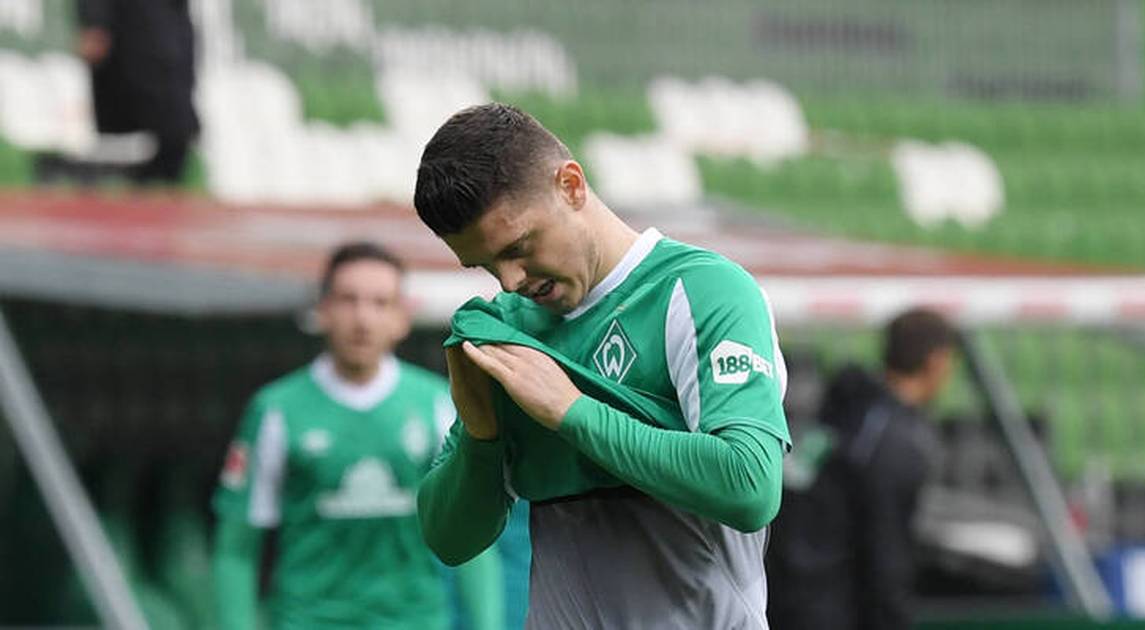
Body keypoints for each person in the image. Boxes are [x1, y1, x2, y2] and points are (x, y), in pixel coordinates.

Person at [413, 103, 790, 628]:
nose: (509, 280)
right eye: (485, 265)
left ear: (570, 185)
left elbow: (749, 485)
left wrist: (571, 412)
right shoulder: (510, 331)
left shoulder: (701, 292)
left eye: (519, 247)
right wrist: (480, 439)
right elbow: (449, 540)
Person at [210, 242, 503, 630]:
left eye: (380, 303)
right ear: (322, 309)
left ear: (402, 317)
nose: (363, 318)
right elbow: (236, 548)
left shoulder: (438, 404)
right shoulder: (277, 410)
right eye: (348, 300)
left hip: (414, 621)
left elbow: (472, 540)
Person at [766, 308, 957, 630]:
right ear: (936, 362)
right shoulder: (894, 443)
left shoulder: (840, 411)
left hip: (784, 595)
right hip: (833, 610)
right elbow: (885, 555)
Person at [75, 0, 199, 184]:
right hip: (132, 29)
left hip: (168, 28)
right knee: (143, 125)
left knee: (174, 131)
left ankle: (156, 182)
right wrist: (95, 20)